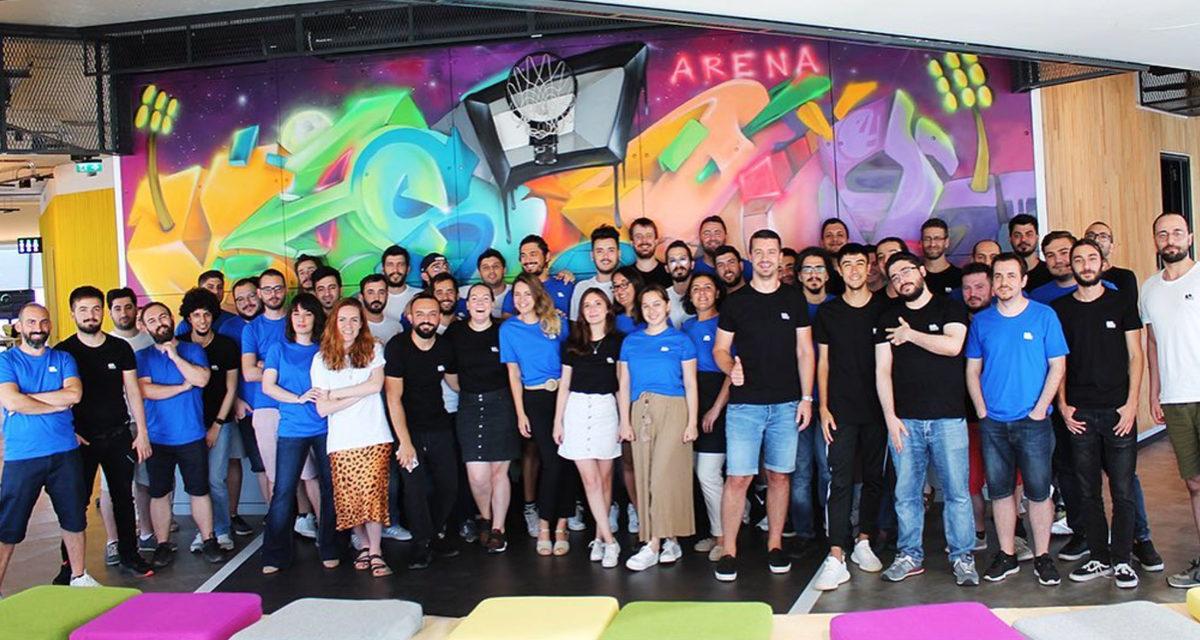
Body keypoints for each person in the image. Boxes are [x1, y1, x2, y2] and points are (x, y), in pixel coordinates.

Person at [713, 229, 815, 582]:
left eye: (772, 251)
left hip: (786, 404)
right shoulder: (736, 302)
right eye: (759, 252)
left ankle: (775, 545)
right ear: (751, 256)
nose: (766, 258)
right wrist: (731, 367)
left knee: (779, 476)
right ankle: (729, 550)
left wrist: (806, 398)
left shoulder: (794, 298)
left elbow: (805, 351)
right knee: (738, 478)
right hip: (745, 406)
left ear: (779, 255)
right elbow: (720, 349)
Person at [875, 253, 978, 586]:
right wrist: (890, 417)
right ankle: (909, 555)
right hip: (905, 421)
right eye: (894, 276)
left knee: (957, 493)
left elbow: (953, 346)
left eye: (906, 271)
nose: (901, 279)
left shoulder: (950, 307)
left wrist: (911, 335)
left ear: (921, 271)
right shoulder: (888, 316)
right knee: (906, 494)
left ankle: (962, 557)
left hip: (948, 419)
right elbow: (882, 370)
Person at [966, 253, 1067, 586]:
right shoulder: (982, 321)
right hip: (993, 423)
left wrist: (1040, 410)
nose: (1004, 282)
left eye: (1011, 276)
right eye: (998, 276)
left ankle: (1042, 556)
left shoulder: (1044, 316)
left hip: (1033, 422)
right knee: (1000, 492)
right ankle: (1007, 554)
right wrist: (982, 410)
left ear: (1023, 280)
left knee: (1038, 493)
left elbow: (1057, 366)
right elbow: (972, 369)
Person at [1052, 238, 1143, 589]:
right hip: (1080, 414)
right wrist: (1063, 405)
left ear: (1102, 263)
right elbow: (1058, 361)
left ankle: (1122, 560)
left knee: (1122, 490)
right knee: (1087, 490)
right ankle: (1099, 557)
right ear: (1071, 266)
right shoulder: (1060, 309)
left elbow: (1136, 356)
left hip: (1119, 411)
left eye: (1092, 258)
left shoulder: (1121, 302)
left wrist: (1132, 404)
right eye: (1079, 259)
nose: (1086, 265)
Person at [55, 287, 154, 579]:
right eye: (83, 310)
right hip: (80, 440)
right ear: (73, 314)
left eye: (96, 309)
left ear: (103, 312)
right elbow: (57, 396)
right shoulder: (63, 351)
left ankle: (129, 555)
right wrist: (68, 432)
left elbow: (133, 391)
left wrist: (142, 432)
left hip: (118, 435)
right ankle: (69, 567)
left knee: (124, 497)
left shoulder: (120, 348)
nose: (90, 315)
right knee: (77, 502)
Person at [0, 303, 99, 594]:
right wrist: (55, 403)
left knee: (74, 517)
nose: (38, 328)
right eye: (31, 322)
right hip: (23, 456)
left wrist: (28, 399)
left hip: (64, 453)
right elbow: (12, 401)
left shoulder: (63, 358)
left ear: (50, 326)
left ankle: (78, 576)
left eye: (43, 322)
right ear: (19, 327)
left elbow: (75, 395)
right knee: (8, 526)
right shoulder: (7, 361)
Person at [811, 244, 889, 591]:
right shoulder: (829, 313)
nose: (855, 269)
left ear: (869, 268)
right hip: (840, 410)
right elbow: (823, 363)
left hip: (877, 409)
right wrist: (823, 407)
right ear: (838, 270)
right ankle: (836, 554)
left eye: (860, 263)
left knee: (873, 477)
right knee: (839, 480)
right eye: (848, 264)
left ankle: (864, 541)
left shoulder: (884, 309)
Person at [137, 301, 227, 567]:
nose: (159, 323)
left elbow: (201, 380)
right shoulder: (142, 357)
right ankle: (163, 544)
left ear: (172, 319)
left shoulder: (192, 349)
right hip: (157, 438)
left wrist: (175, 356)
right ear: (144, 327)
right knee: (159, 493)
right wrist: (180, 388)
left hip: (191, 435)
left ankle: (209, 539)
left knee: (199, 490)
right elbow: (146, 391)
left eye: (163, 317)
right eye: (152, 320)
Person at [312, 298, 395, 578]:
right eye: (343, 319)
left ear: (362, 324)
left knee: (373, 495)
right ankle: (363, 546)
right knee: (349, 499)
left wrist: (336, 394)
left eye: (354, 320)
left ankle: (376, 551)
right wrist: (358, 393)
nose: (348, 325)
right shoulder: (321, 359)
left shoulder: (373, 349)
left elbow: (376, 384)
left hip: (374, 435)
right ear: (334, 323)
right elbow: (322, 408)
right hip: (341, 440)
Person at [618, 284, 699, 571]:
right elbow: (623, 384)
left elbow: (690, 383)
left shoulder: (681, 340)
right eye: (646, 305)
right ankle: (670, 541)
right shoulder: (631, 342)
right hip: (640, 409)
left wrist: (692, 421)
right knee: (645, 475)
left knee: (663, 477)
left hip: (674, 409)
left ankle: (653, 544)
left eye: (656, 304)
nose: (651, 310)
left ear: (667, 306)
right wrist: (624, 420)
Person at [1141, 212, 1200, 588]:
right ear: (1156, 241)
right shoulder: (1149, 289)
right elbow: (1152, 343)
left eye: (1177, 232)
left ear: (1190, 238)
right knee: (1194, 482)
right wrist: (1154, 391)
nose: (1170, 239)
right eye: (1163, 234)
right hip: (1176, 397)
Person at [260, 293, 339, 573]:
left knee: (330, 489)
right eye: (296, 314)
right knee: (283, 491)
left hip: (327, 427)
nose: (301, 319)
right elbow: (268, 386)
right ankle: (275, 555)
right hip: (292, 429)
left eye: (307, 314)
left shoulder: (326, 349)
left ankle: (329, 547)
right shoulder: (278, 349)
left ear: (316, 318)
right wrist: (298, 398)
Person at [501, 273, 576, 556]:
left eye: (527, 294)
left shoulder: (557, 322)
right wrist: (521, 413)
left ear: (537, 295)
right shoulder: (509, 329)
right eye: (517, 295)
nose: (522, 300)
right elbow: (513, 373)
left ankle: (562, 524)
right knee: (551, 460)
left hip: (564, 396)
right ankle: (545, 524)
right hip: (535, 399)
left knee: (566, 460)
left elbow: (572, 360)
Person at [385, 293, 462, 569]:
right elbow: (393, 397)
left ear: (439, 317)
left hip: (439, 425)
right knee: (414, 489)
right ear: (410, 317)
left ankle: (431, 534)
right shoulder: (398, 347)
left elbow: (455, 383)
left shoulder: (445, 347)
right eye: (420, 314)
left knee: (449, 486)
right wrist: (404, 442)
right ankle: (421, 545)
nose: (427, 319)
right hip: (409, 430)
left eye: (432, 314)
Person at [242, 270, 320, 538]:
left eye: (278, 288)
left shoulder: (298, 319)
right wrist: (276, 369)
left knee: (309, 472)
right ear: (259, 293)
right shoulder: (252, 329)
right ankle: (288, 526)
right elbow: (249, 372)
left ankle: (318, 524)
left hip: (305, 408)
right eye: (267, 289)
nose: (273, 294)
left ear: (285, 290)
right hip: (266, 406)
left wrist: (269, 367)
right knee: (278, 474)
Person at [554, 288, 625, 568]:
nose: (592, 309)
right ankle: (610, 540)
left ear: (607, 309)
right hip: (577, 409)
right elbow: (564, 385)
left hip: (607, 410)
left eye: (598, 303)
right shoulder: (572, 343)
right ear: (581, 312)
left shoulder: (619, 342)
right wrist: (558, 421)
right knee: (591, 480)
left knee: (605, 480)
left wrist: (624, 420)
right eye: (587, 305)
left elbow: (621, 385)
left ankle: (599, 537)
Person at [447, 284, 519, 554]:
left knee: (499, 472)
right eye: (474, 298)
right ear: (467, 304)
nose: (479, 302)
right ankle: (485, 517)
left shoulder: (504, 330)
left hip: (501, 405)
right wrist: (470, 392)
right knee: (477, 475)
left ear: (492, 303)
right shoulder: (456, 332)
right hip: (468, 405)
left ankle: (498, 528)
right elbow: (450, 373)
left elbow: (514, 370)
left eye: (485, 298)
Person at [176, 288, 241, 555]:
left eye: (206, 314)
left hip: (219, 422)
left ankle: (222, 529)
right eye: (196, 315)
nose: (202, 320)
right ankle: (205, 532)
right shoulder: (179, 344)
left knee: (216, 479)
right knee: (197, 482)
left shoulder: (226, 345)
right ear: (188, 318)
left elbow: (231, 389)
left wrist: (217, 424)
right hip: (188, 425)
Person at [681, 273, 730, 562]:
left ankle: (724, 537)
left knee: (708, 473)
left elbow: (733, 371)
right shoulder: (686, 326)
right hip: (691, 400)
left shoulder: (725, 324)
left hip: (716, 401)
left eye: (707, 288)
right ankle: (713, 532)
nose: (701, 293)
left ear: (717, 293)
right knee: (696, 471)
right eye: (696, 288)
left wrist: (716, 408)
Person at [107, 287, 158, 550]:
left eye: (128, 307)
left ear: (136, 309)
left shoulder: (149, 341)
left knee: (144, 480)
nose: (123, 313)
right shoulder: (105, 343)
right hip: (114, 425)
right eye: (117, 308)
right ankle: (113, 541)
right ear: (110, 312)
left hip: (145, 421)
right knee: (111, 487)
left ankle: (146, 532)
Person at [792, 248, 833, 556]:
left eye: (819, 268)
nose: (814, 274)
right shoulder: (791, 306)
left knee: (828, 469)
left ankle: (833, 531)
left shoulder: (837, 306)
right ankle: (804, 532)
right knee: (801, 470)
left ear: (828, 274)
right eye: (807, 269)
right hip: (797, 402)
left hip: (831, 402)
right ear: (799, 275)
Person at [224, 277, 266, 537]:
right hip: (248, 408)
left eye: (251, 296)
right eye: (240, 299)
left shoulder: (281, 321)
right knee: (261, 465)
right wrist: (236, 401)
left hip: (283, 405)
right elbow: (226, 372)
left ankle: (301, 515)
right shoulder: (228, 329)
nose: (247, 303)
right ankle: (276, 514)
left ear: (260, 294)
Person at [502, 235, 576, 317]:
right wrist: (544, 317)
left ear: (547, 256)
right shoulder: (516, 292)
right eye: (523, 256)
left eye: (533, 254)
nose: (527, 260)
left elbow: (577, 320)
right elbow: (507, 322)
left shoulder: (566, 285)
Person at [569, 225, 621, 320]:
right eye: (600, 251)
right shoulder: (581, 287)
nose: (606, 256)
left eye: (611, 250)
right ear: (592, 255)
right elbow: (575, 324)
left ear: (619, 254)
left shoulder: (627, 287)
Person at [1084, 221, 1139, 295]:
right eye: (1090, 236)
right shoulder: (1079, 276)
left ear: (1111, 247)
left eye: (1103, 236)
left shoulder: (1125, 276)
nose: (1096, 240)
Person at [176, 270, 236, 336]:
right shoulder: (187, 324)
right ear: (200, 289)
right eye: (210, 287)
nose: (216, 291)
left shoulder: (232, 320)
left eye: (220, 287)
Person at [459, 249, 512, 318]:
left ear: (504, 270)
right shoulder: (463, 293)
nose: (491, 271)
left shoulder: (516, 292)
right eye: (486, 268)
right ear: (479, 272)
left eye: (495, 266)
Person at [693, 216, 750, 280]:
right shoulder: (692, 268)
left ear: (726, 236)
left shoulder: (745, 267)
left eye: (717, 233)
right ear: (700, 237)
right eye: (707, 234)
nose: (712, 238)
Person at [1008, 214, 1052, 292]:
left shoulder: (1050, 272)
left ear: (1037, 237)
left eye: (1029, 234)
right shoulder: (1005, 274)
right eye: (1017, 235)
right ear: (1010, 239)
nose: (1023, 239)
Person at [921, 218, 962, 295]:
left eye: (937, 239)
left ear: (946, 242)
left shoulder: (960, 277)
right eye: (927, 239)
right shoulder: (915, 275)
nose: (932, 244)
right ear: (921, 243)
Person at [629, 217, 672, 287]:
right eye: (638, 236)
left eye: (649, 236)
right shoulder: (625, 276)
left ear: (656, 241)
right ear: (631, 243)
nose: (644, 240)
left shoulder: (669, 273)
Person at [382, 245, 420, 324]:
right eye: (390, 265)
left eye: (400, 264)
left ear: (408, 269)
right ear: (383, 269)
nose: (395, 270)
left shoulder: (420, 295)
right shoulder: (373, 297)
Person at [361, 274, 403, 344]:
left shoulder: (396, 327)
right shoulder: (355, 327)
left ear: (387, 296)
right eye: (370, 293)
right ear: (361, 297)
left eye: (381, 293)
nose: (376, 298)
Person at [665, 240, 696, 328]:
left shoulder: (703, 293)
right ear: (666, 268)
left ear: (692, 264)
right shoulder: (662, 297)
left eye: (682, 259)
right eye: (672, 261)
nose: (678, 265)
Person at [612, 266, 646, 335]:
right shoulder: (612, 319)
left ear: (636, 284)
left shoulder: (650, 313)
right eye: (616, 286)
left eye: (624, 284)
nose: (619, 291)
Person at [821, 218, 850, 294]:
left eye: (840, 235)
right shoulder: (818, 272)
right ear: (822, 242)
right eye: (828, 235)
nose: (835, 239)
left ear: (848, 240)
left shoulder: (855, 270)